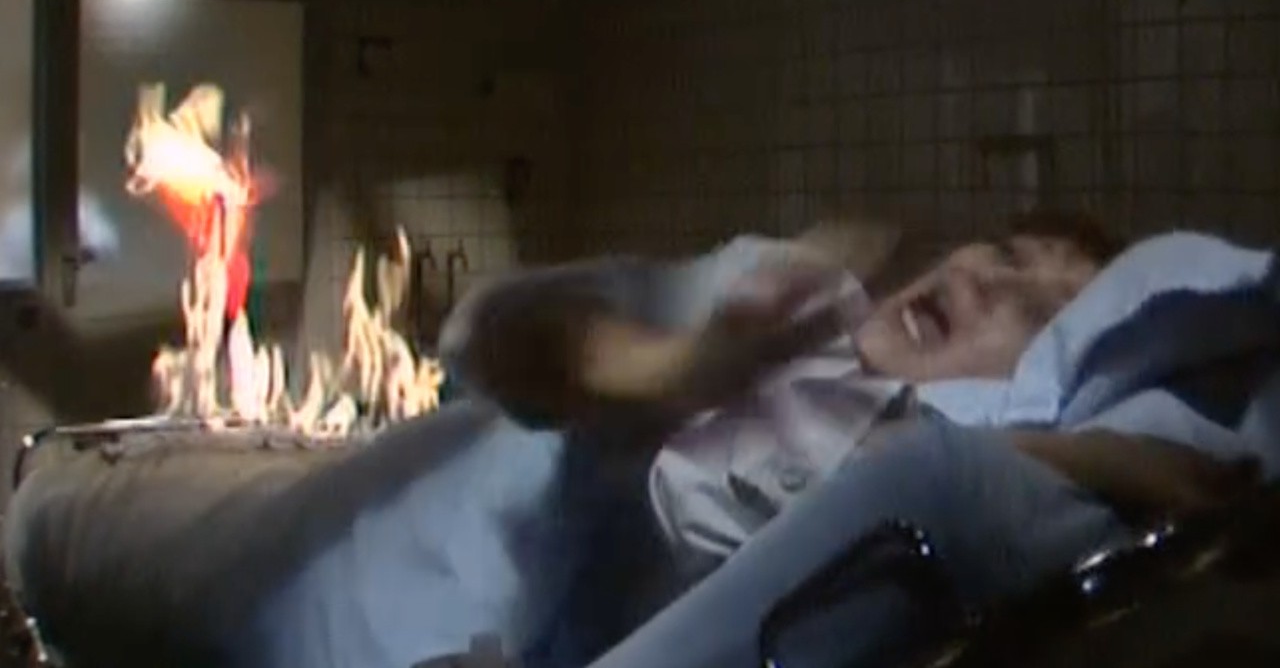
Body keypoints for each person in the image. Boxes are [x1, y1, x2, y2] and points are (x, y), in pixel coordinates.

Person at [440, 212, 1271, 668]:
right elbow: (485, 338)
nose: (987, 280)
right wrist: (681, 368)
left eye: (1036, 311)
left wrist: (1059, 454)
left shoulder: (945, 453)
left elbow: (1191, 482)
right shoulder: (796, 302)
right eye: (1005, 251)